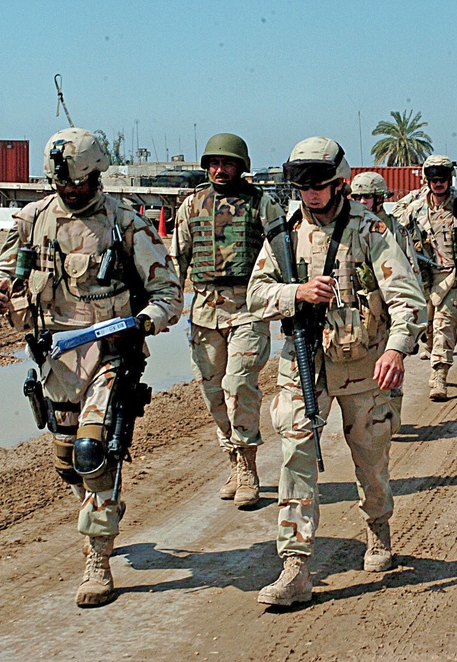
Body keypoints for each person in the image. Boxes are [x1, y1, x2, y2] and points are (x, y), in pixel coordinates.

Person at [0, 127, 182, 606]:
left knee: (93, 450)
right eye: (62, 182)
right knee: (68, 460)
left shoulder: (124, 223)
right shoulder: (33, 220)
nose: (69, 191)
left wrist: (144, 324)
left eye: (78, 181)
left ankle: (97, 558)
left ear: (96, 175)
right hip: (56, 357)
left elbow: (169, 293)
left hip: (111, 352)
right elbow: (5, 271)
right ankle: (103, 502)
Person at [248, 137, 426, 606]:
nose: (311, 196)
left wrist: (397, 350)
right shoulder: (283, 235)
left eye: (320, 187)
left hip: (365, 364)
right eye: (303, 188)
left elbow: (408, 299)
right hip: (303, 360)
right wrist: (296, 294)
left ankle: (378, 526)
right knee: (295, 457)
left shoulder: (370, 231)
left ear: (339, 184)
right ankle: (295, 566)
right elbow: (256, 296)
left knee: (370, 457)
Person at [170, 133, 283, 509]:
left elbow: (283, 252)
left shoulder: (261, 204)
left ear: (241, 166)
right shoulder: (191, 205)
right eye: (215, 163)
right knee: (213, 391)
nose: (220, 170)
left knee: (239, 384)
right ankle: (233, 461)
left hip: (249, 306)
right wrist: (167, 303)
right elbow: (177, 259)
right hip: (203, 309)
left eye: (228, 163)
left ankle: (249, 464)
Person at [398, 154, 457, 401]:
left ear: (450, 180)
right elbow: (397, 239)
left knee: (445, 324)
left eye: (442, 179)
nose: (438, 184)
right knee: (427, 328)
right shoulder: (415, 209)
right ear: (427, 181)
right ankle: (432, 350)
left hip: (452, 277)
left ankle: (439, 375)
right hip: (423, 280)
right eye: (433, 179)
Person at [349, 171, 420, 434]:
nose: (361, 202)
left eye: (367, 197)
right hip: (361, 312)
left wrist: (413, 317)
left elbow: (412, 273)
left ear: (380, 199)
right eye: (356, 197)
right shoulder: (350, 228)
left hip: (391, 310)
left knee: (390, 367)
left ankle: (392, 419)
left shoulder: (395, 230)